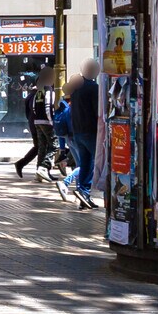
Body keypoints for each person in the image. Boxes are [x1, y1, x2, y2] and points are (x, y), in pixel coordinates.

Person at [62, 61, 101, 209]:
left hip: (78, 132)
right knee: (94, 163)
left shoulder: (76, 89)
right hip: (90, 131)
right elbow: (97, 111)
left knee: (85, 163)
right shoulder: (93, 88)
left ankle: (83, 193)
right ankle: (84, 192)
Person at [14, 76, 55, 179]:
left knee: (41, 147)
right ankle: (38, 168)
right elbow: (46, 107)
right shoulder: (42, 92)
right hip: (42, 123)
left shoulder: (34, 94)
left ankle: (39, 171)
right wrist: (51, 121)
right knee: (47, 146)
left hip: (35, 123)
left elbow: (30, 111)